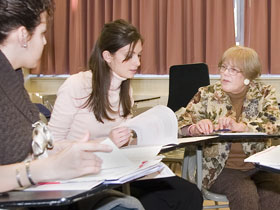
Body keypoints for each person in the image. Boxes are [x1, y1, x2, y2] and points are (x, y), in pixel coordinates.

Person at [0, 1, 145, 209]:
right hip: (23, 197)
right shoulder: (74, 85)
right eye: (42, 33)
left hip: (36, 192)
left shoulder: (12, 78)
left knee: (128, 205)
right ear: (23, 35)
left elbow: (40, 146)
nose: (45, 42)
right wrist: (44, 169)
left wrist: (77, 149)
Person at [48, 19, 203, 210]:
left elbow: (126, 138)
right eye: (129, 56)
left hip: (118, 171)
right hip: (83, 176)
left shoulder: (124, 90)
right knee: (144, 204)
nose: (137, 62)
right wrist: (105, 144)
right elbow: (51, 146)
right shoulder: (76, 85)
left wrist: (136, 138)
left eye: (139, 55)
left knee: (189, 194)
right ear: (107, 56)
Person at [177, 46, 280, 210]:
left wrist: (242, 127)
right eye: (223, 67)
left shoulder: (265, 93)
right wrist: (193, 128)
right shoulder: (207, 94)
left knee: (275, 194)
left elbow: (275, 122)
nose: (225, 73)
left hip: (258, 166)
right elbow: (179, 120)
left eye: (233, 70)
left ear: (247, 76)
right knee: (245, 194)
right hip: (220, 169)